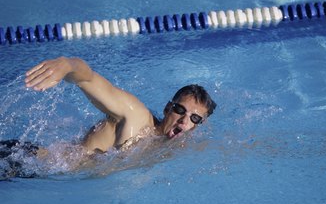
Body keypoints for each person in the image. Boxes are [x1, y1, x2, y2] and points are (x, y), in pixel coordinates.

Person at [23, 56, 216, 154]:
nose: (184, 120)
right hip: (25, 162)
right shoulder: (136, 117)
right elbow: (89, 79)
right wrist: (67, 65)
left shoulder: (173, 150)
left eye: (194, 118)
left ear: (198, 126)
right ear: (167, 109)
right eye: (180, 110)